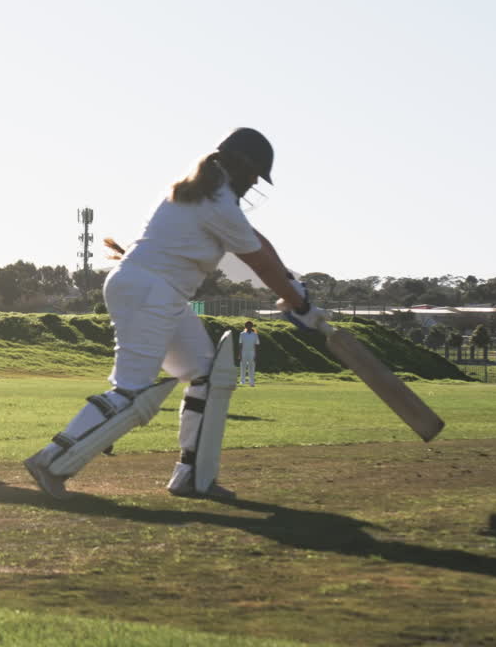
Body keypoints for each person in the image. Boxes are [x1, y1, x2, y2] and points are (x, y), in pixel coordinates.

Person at [24, 128, 327, 500]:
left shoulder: (200, 190)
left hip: (152, 289)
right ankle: (52, 461)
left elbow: (260, 245)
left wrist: (294, 288)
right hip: (151, 290)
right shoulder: (218, 203)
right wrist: (299, 303)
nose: (253, 183)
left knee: (206, 375)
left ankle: (192, 477)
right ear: (241, 167)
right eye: (253, 175)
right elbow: (260, 263)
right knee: (132, 392)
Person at [239, 321, 260, 386]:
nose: (249, 327)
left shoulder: (255, 334)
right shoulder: (242, 334)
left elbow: (256, 345)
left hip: (252, 352)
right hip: (243, 352)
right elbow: (240, 344)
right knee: (243, 367)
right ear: (245, 326)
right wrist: (240, 354)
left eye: (250, 325)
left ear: (251, 326)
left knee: (251, 367)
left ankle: (251, 382)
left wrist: (255, 354)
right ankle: (242, 381)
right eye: (247, 325)